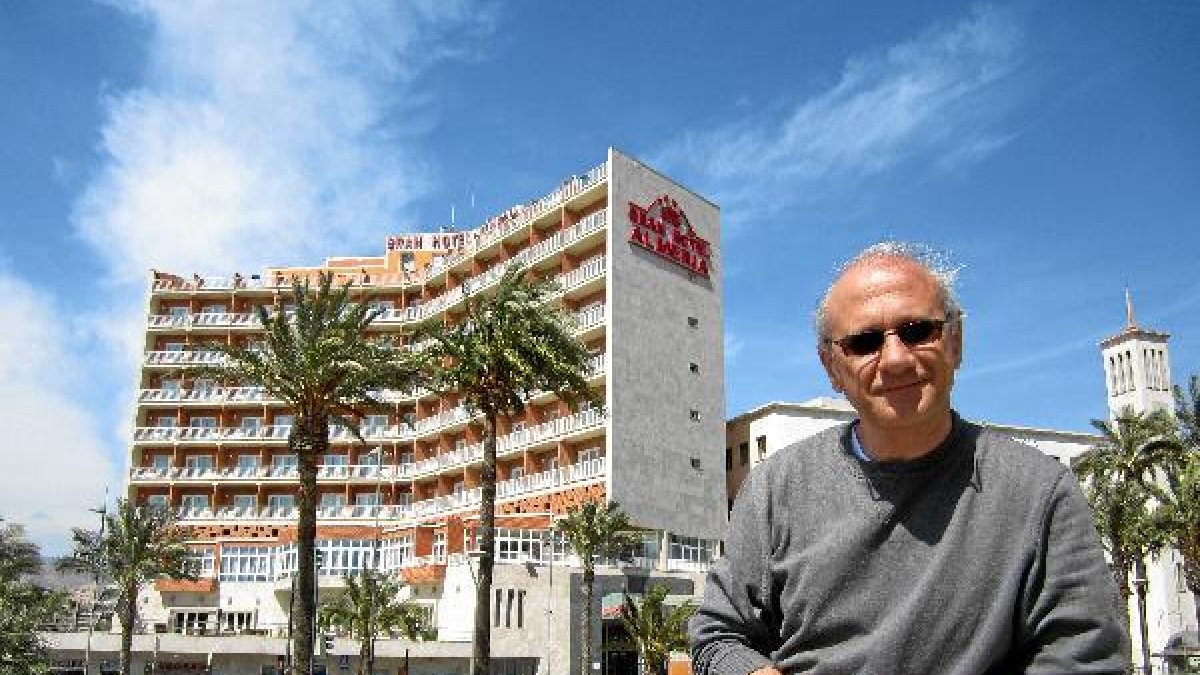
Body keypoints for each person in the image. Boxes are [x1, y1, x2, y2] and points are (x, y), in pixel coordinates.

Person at [689, 242, 1128, 674]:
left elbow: (1084, 655)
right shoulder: (775, 488)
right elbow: (718, 636)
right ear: (831, 368)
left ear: (955, 342)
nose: (896, 359)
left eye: (918, 331)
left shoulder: (1039, 491)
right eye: (865, 342)